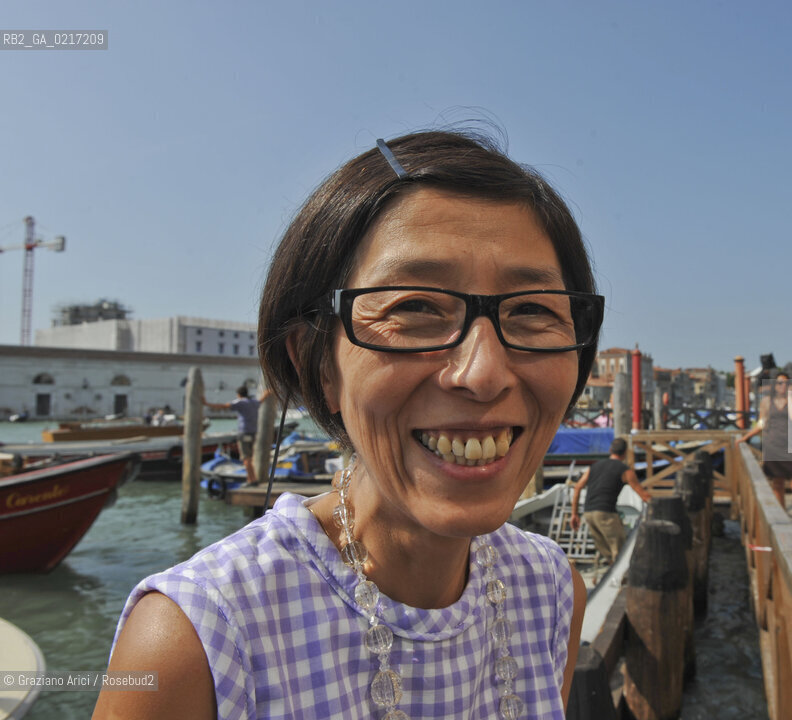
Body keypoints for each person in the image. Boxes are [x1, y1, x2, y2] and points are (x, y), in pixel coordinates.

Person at [94, 129, 601, 719]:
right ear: (315, 361)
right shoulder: (198, 639)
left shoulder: (551, 590)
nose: (483, 373)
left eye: (533, 310)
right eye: (414, 307)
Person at [738, 371, 792, 534]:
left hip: (789, 446)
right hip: (772, 445)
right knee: (778, 484)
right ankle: (784, 519)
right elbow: (761, 424)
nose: (783, 385)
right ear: (775, 385)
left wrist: (791, 396)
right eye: (780, 383)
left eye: (786, 383)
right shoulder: (767, 402)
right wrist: (746, 437)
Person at [569, 437, 651, 564]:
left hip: (589, 514)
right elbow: (643, 495)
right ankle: (621, 581)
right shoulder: (625, 471)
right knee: (621, 553)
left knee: (607, 554)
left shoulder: (594, 467)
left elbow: (578, 487)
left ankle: (608, 578)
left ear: (610, 450)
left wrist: (574, 514)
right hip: (605, 513)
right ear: (625, 453)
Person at [204, 385, 270, 485]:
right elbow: (261, 401)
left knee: (245, 458)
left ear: (239, 394)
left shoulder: (240, 402)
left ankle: (252, 480)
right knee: (250, 457)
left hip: (244, 432)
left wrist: (206, 403)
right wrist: (267, 393)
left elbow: (224, 406)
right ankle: (251, 478)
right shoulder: (253, 402)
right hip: (253, 433)